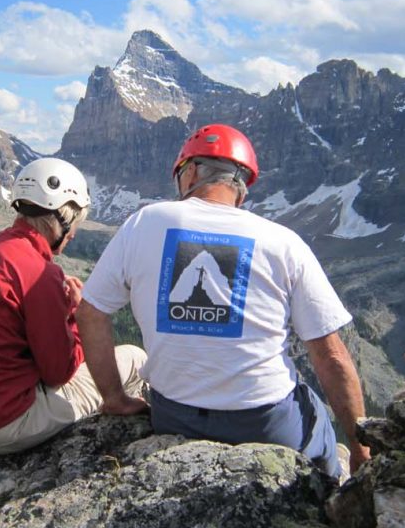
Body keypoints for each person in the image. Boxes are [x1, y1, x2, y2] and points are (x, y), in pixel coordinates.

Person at [77, 125, 370, 479]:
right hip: (266, 424)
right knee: (314, 412)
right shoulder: (283, 242)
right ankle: (328, 490)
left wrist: (114, 398)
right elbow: (331, 357)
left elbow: (90, 311)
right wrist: (361, 450)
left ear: (191, 173)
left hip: (174, 415)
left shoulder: (144, 223)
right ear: (241, 188)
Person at [0, 157, 147, 455]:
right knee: (135, 358)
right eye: (75, 223)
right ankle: (128, 434)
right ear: (63, 216)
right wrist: (75, 315)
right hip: (6, 427)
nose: (74, 234)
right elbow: (59, 373)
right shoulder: (39, 273)